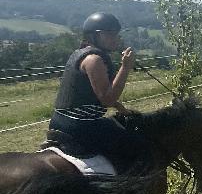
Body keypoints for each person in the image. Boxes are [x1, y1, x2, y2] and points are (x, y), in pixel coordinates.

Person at [48, 12, 156, 172]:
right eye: (109, 34)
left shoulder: (83, 53)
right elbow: (107, 99)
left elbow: (92, 92)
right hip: (81, 125)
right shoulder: (94, 60)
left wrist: (119, 107)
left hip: (65, 120)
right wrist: (126, 67)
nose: (115, 38)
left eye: (116, 34)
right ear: (94, 36)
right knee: (139, 146)